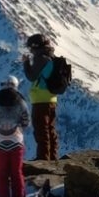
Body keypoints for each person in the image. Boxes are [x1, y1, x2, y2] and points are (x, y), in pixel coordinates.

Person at [22, 33, 59, 161]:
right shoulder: (51, 57)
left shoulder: (40, 58)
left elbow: (31, 76)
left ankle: (43, 159)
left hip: (40, 100)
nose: (30, 50)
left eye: (31, 48)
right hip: (51, 99)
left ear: (35, 46)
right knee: (50, 129)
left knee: (41, 130)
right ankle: (53, 158)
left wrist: (26, 63)